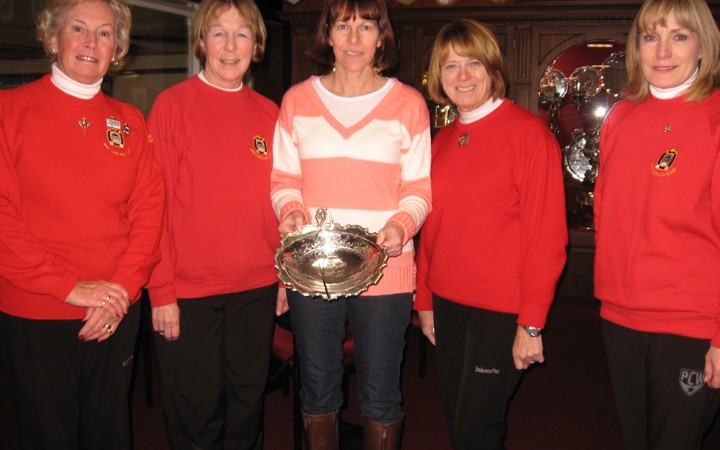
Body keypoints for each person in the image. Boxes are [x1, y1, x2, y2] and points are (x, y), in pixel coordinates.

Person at [0, 0, 164, 448]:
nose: (92, 42)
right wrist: (71, 287)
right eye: (78, 28)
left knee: (110, 431)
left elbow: (149, 215)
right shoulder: (8, 110)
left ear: (117, 48)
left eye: (106, 32)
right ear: (52, 39)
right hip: (38, 310)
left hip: (114, 310)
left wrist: (121, 292)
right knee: (48, 435)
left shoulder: (130, 122)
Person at [270, 0, 431, 448]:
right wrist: (290, 210)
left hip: (385, 269)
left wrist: (402, 224)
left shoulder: (408, 104)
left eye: (366, 26)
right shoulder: (297, 100)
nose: (354, 38)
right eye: (344, 25)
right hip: (311, 268)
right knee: (318, 390)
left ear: (382, 36)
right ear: (328, 34)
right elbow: (284, 178)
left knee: (380, 393)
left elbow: (419, 189)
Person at [415, 19, 567, 450]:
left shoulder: (530, 136)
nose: (462, 76)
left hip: (501, 311)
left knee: (476, 428)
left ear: (493, 69)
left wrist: (532, 324)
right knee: (455, 417)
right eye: (450, 66)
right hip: (447, 303)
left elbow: (547, 238)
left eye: (473, 64)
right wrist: (424, 300)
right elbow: (432, 227)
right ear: (437, 78)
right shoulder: (441, 141)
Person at [145, 0, 282, 448]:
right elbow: (153, 208)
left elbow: (282, 203)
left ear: (256, 45)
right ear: (201, 41)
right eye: (218, 33)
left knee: (247, 408)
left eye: (241, 34)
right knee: (196, 415)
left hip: (257, 288)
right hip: (189, 293)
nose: (230, 45)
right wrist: (160, 291)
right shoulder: (171, 107)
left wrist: (283, 277)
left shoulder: (271, 114)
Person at [593, 0, 720, 448]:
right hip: (620, 317)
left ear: (703, 45)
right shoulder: (620, 118)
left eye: (679, 36)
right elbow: (607, 213)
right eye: (652, 36)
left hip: (691, 322)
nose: (663, 51)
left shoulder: (715, 115)